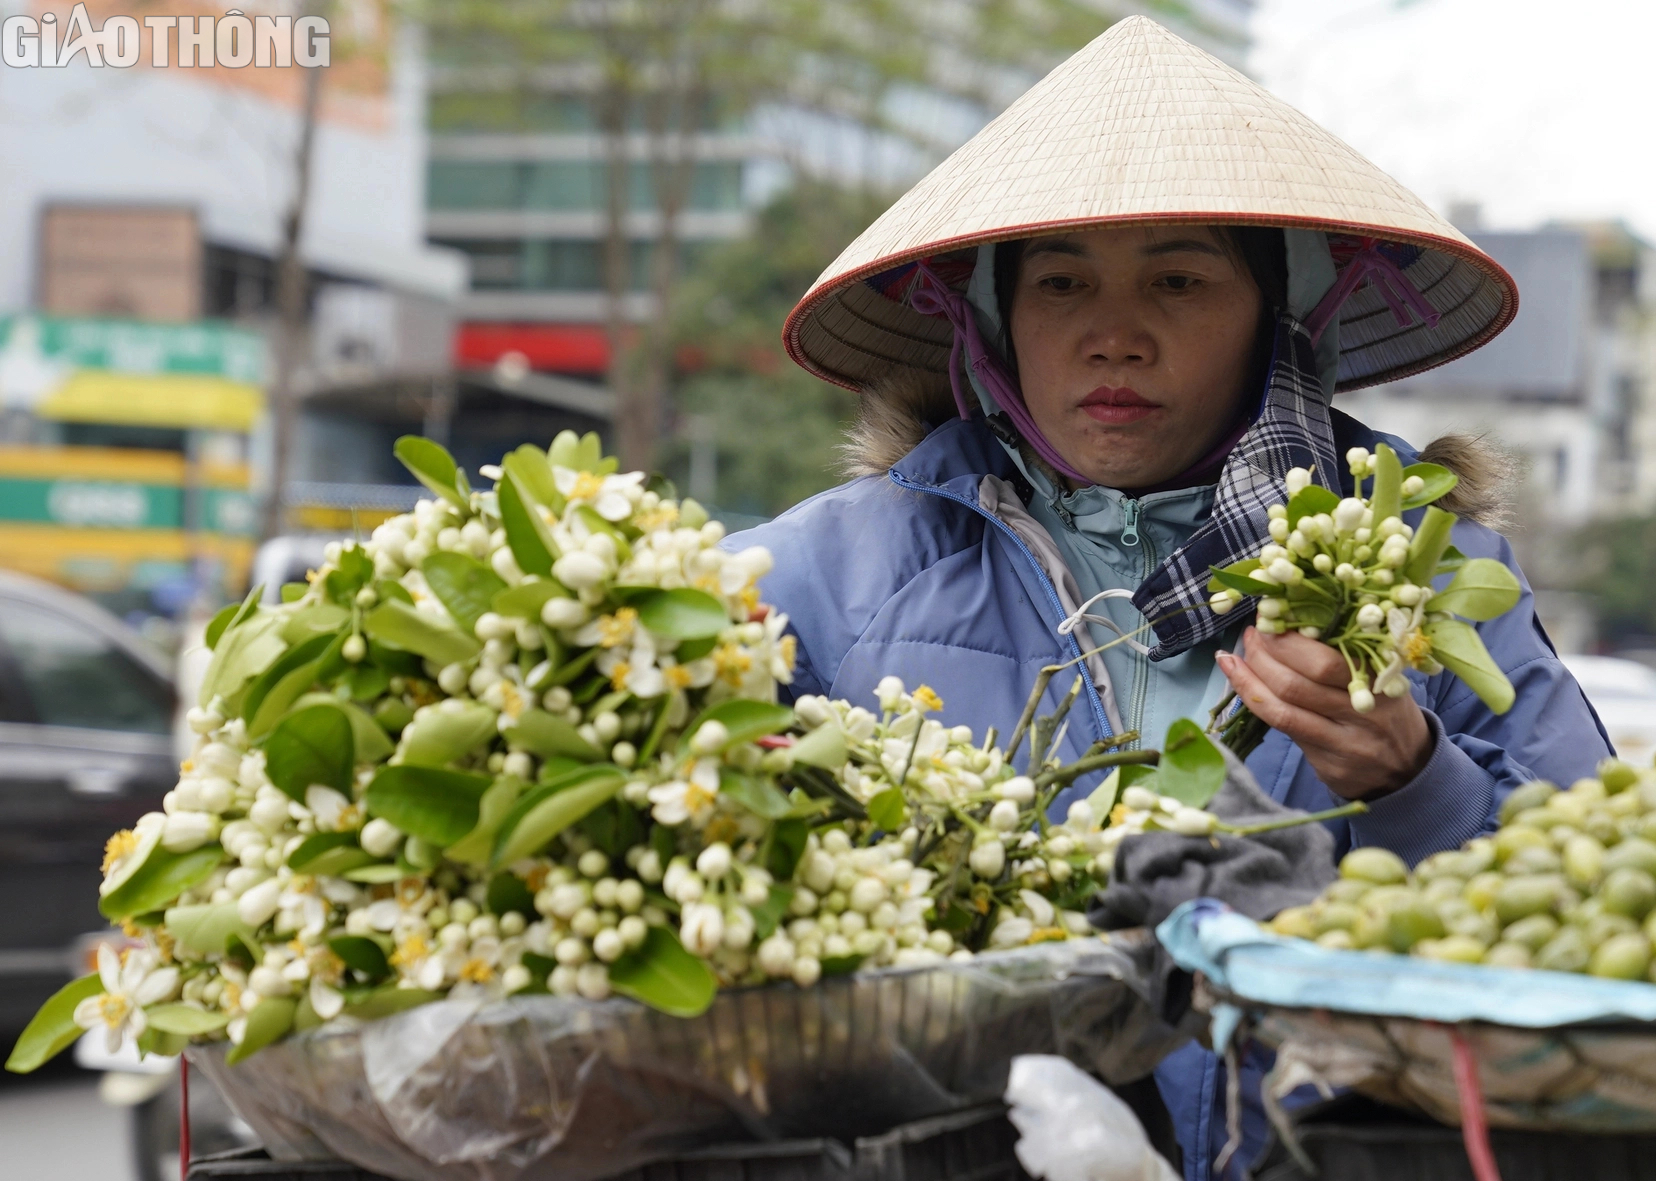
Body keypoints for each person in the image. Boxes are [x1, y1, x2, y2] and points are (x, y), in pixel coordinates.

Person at [728, 17, 1611, 1180]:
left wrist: (1411, 777)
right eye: (1060, 283)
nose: (1114, 337)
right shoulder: (825, 583)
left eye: (1180, 280)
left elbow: (1598, 924)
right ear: (994, 323)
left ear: (1273, 316)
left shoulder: (1423, 577)